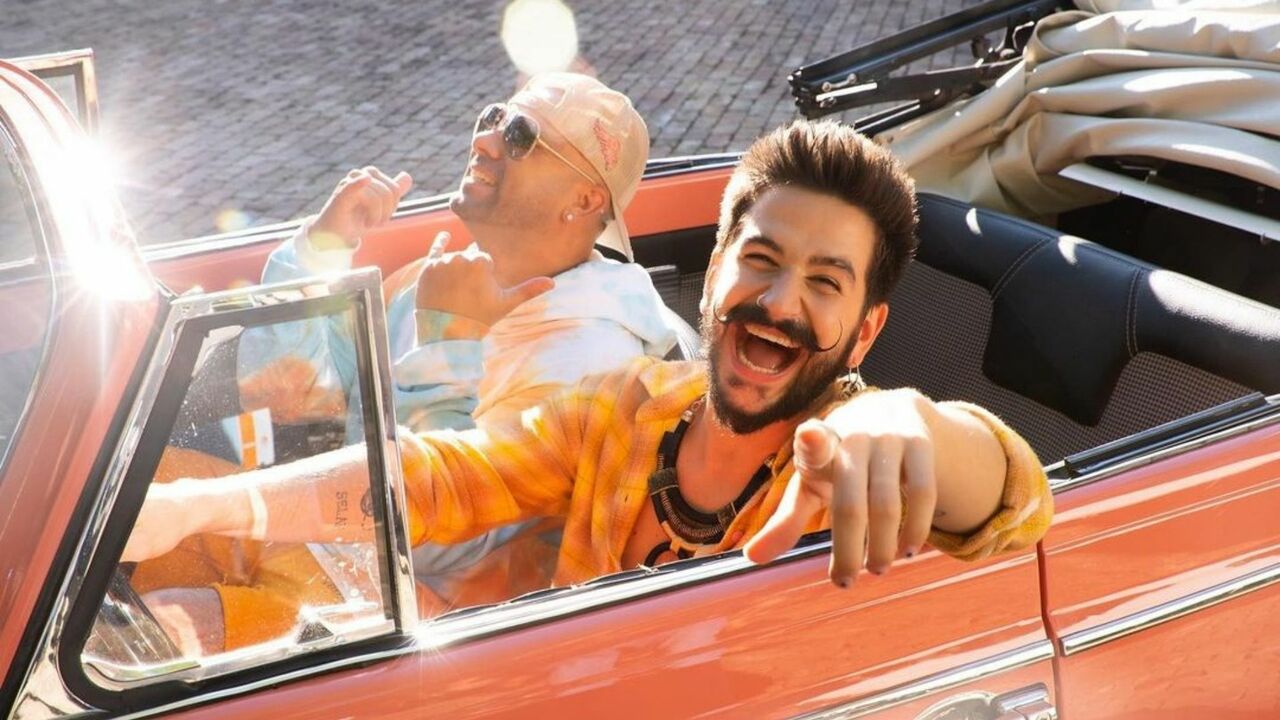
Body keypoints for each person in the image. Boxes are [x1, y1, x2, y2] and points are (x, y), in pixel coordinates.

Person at [126, 120, 1052, 645]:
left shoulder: (854, 464)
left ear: (865, 332)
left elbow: (1013, 505)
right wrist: (207, 508)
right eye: (762, 262)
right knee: (158, 512)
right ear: (715, 271)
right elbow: (440, 476)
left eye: (825, 283)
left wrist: (916, 420)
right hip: (519, 674)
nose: (780, 304)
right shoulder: (627, 406)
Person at [136, 73, 678, 651]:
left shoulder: (590, 359)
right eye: (493, 117)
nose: (485, 140)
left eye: (520, 135)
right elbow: (293, 393)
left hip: (412, 612)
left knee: (163, 630)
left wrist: (450, 339)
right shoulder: (444, 275)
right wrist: (321, 250)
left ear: (585, 200)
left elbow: (439, 539)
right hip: (332, 533)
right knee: (136, 487)